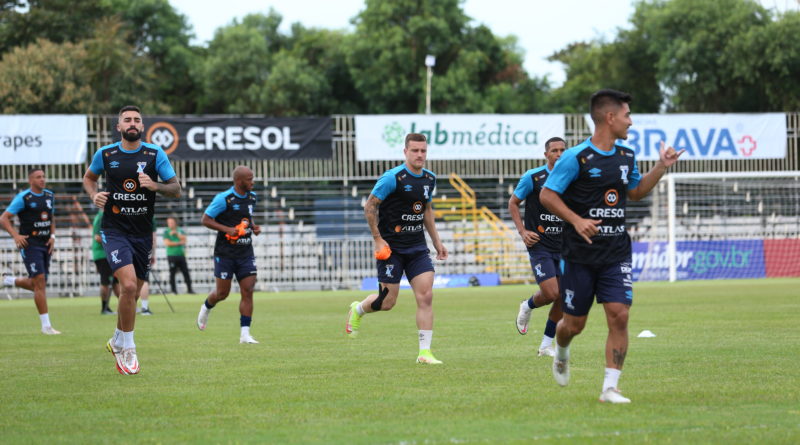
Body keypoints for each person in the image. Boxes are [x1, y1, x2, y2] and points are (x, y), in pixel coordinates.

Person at [540, 89, 684, 403]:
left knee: (620, 315)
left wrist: (661, 167)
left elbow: (634, 192)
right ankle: (561, 349)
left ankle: (610, 388)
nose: (630, 122)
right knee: (574, 325)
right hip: (578, 254)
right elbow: (547, 196)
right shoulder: (575, 157)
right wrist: (577, 220)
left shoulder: (627, 156)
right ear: (610, 117)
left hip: (616, 251)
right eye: (627, 115)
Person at [83, 105, 181, 375]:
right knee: (126, 286)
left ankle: (117, 337)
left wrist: (155, 185)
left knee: (133, 293)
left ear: (142, 125)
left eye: (137, 119)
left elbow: (176, 189)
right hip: (114, 230)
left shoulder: (154, 153)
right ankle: (129, 348)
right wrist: (94, 195)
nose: (132, 123)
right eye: (127, 120)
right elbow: (89, 179)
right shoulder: (106, 153)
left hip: (141, 233)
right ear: (119, 127)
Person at [345, 133, 448, 364]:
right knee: (387, 302)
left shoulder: (430, 178)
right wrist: (377, 239)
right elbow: (370, 206)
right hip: (391, 249)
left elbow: (427, 210)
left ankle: (424, 353)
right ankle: (359, 309)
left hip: (417, 248)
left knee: (426, 295)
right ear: (405, 152)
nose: (420, 154)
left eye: (423, 150)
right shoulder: (393, 178)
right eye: (415, 150)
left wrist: (437, 241)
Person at [510, 137, 566, 357]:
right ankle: (527, 306)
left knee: (563, 296)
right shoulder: (533, 177)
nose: (559, 154)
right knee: (552, 292)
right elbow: (513, 203)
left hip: (565, 246)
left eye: (563, 150)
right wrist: (523, 231)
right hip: (539, 244)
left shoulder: (573, 178)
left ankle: (545, 346)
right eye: (554, 150)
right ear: (547, 155)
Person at [196, 166, 261, 344]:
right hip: (225, 253)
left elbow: (247, 216)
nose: (253, 182)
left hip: (246, 252)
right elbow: (206, 219)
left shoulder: (252, 197)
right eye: (250, 179)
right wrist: (227, 230)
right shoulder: (224, 199)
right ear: (240, 181)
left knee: (248, 290)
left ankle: (245, 334)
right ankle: (206, 308)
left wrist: (254, 227)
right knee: (222, 293)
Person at [0, 167, 60, 334]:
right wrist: (16, 236)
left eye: (43, 176)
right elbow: (4, 219)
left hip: (46, 243)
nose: (42, 179)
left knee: (38, 284)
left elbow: (51, 218)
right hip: (30, 244)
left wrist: (53, 236)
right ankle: (46, 326)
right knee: (39, 282)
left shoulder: (49, 196)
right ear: (30, 180)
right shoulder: (23, 197)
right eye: (38, 177)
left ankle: (9, 281)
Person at [92, 210, 119, 315]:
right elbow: (97, 237)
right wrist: (113, 244)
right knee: (106, 282)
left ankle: (127, 304)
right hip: (103, 254)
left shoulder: (104, 215)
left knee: (116, 282)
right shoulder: (102, 216)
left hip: (109, 254)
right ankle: (104, 308)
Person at [163, 216, 194, 294]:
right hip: (171, 255)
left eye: (172, 222)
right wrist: (178, 243)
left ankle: (190, 290)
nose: (170, 224)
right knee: (172, 273)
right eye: (169, 223)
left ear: (175, 223)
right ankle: (174, 291)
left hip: (181, 254)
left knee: (185, 272)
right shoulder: (166, 232)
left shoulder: (180, 230)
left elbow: (185, 240)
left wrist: (176, 235)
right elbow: (167, 243)